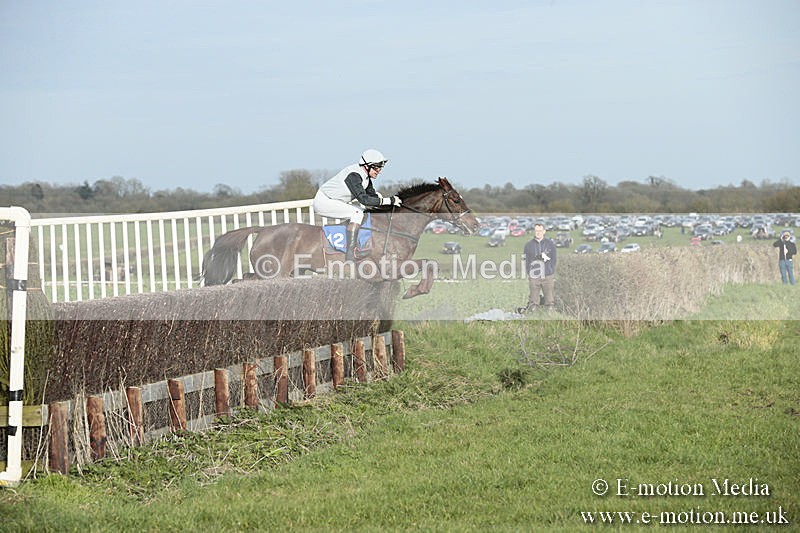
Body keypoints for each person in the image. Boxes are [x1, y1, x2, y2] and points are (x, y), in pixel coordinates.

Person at [313, 149, 402, 260]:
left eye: (380, 168)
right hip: (324, 201)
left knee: (363, 212)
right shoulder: (354, 175)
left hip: (335, 200)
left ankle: (360, 243)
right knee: (357, 213)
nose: (379, 171)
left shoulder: (366, 178)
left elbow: (373, 198)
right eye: (376, 167)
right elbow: (364, 200)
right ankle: (351, 253)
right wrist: (388, 201)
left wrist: (390, 205)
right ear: (366, 166)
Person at [520, 223, 557, 312]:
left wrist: (550, 270)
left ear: (544, 231)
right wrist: (530, 272)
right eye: (536, 231)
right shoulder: (528, 245)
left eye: (540, 231)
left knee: (549, 299)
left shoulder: (550, 244)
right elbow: (526, 260)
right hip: (534, 276)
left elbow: (554, 259)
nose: (538, 233)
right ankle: (534, 316)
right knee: (533, 300)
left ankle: (550, 315)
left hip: (547, 275)